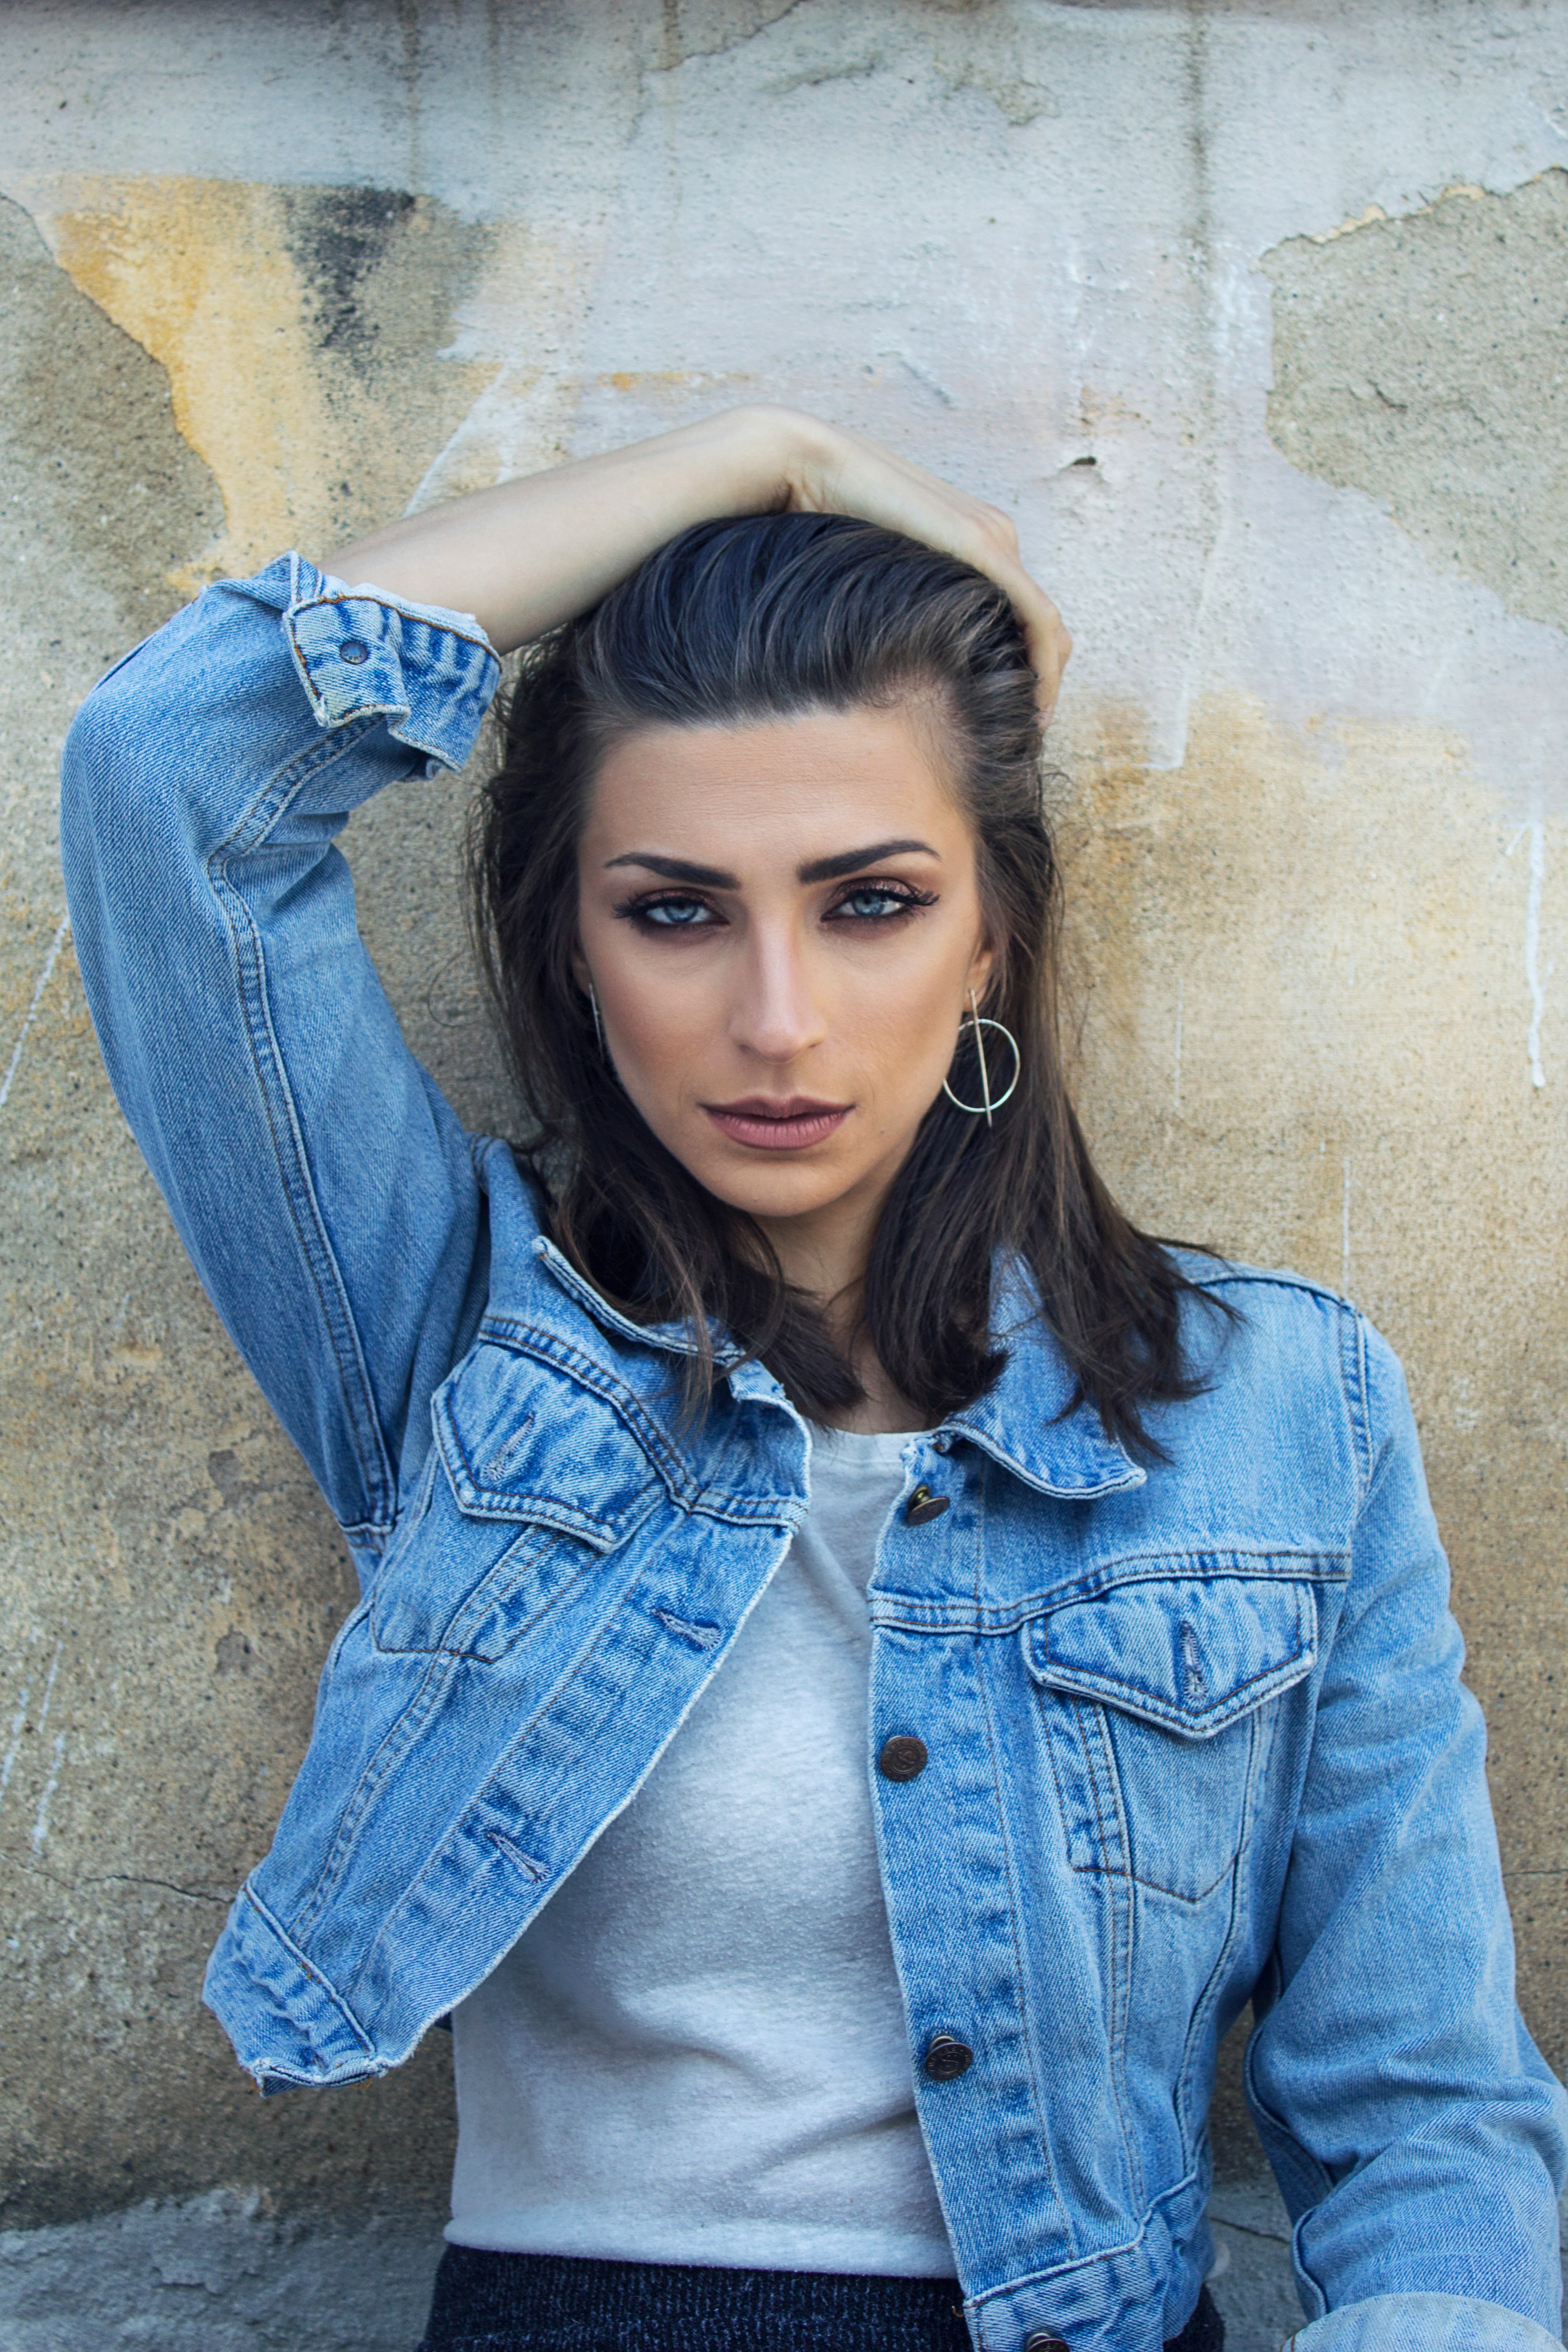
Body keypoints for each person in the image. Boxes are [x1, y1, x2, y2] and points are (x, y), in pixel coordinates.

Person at [60, 405, 1566, 2352]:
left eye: (869, 900)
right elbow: (165, 765)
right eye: (673, 909)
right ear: (573, 946)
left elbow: (1421, 2109)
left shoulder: (1271, 1403)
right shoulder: (457, 1324)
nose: (775, 1019)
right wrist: (753, 458)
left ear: (991, 942)